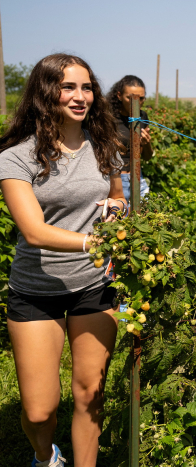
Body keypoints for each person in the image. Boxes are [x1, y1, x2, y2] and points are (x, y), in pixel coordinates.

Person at [0, 53, 127, 467]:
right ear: (45, 92)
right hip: (37, 290)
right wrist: (95, 242)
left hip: (94, 284)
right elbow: (34, 231)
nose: (80, 96)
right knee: (40, 411)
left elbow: (118, 196)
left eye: (86, 87)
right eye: (67, 87)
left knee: (90, 394)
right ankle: (46, 455)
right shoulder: (16, 157)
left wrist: (117, 209)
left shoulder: (104, 144)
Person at [107, 75, 153, 202]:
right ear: (119, 95)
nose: (136, 102)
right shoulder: (108, 117)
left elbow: (147, 156)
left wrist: (147, 143)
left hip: (137, 177)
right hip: (115, 181)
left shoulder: (142, 116)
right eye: (130, 98)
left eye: (141, 98)